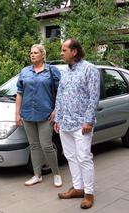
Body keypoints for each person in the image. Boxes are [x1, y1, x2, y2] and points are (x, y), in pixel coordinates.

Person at [54, 39, 100, 209]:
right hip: (65, 123)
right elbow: (60, 96)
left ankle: (89, 193)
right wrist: (58, 118)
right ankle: (78, 188)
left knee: (84, 158)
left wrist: (88, 120)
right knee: (71, 157)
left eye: (64, 49)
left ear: (74, 51)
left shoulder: (90, 69)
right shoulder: (65, 72)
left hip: (82, 124)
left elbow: (94, 96)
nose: (61, 52)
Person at [16, 44, 62, 187]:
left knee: (46, 145)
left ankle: (56, 174)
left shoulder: (52, 71)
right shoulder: (25, 72)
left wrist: (57, 110)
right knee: (34, 146)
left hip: (46, 114)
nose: (32, 55)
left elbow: (61, 92)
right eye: (31, 53)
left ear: (43, 55)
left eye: (35, 53)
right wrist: (17, 113)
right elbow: (19, 93)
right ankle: (37, 175)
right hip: (28, 114)